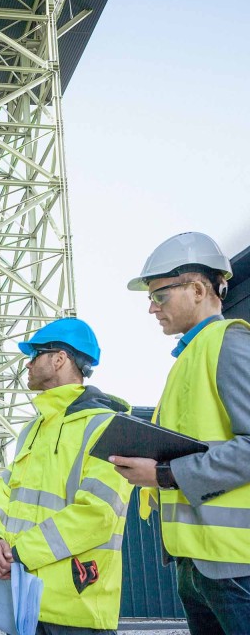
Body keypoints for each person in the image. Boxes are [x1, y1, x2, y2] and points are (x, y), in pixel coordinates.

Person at [109, 231, 250, 635]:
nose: (152, 308)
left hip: (236, 567)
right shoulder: (191, 357)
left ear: (198, 289)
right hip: (196, 563)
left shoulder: (230, 344)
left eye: (160, 295)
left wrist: (164, 475)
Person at [0, 318, 134, 635]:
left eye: (35, 354)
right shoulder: (33, 430)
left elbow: (97, 514)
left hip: (77, 608)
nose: (28, 363)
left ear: (59, 358)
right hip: (25, 601)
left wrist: (20, 552)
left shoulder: (107, 426)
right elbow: (5, 491)